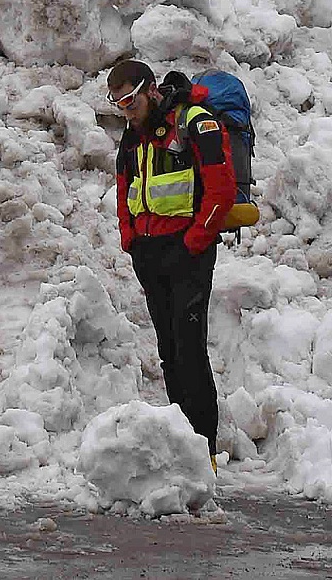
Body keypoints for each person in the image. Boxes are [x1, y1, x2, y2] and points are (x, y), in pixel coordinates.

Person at [109, 59, 234, 454]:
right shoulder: (133, 135)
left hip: (187, 253)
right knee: (169, 354)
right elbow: (124, 186)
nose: (126, 111)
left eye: (131, 101)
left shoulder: (194, 122)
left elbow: (221, 190)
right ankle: (183, 448)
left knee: (190, 350)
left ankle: (204, 452)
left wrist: (193, 242)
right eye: (118, 105)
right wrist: (130, 239)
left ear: (151, 90)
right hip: (149, 254)